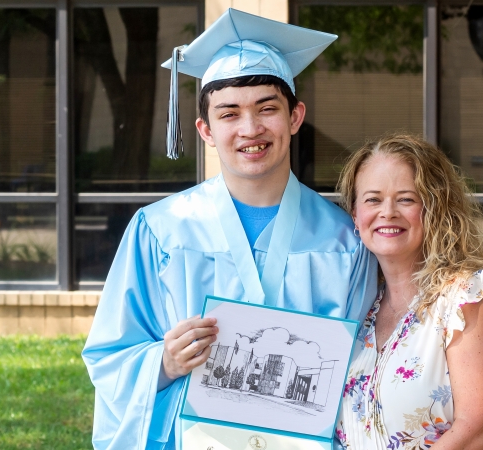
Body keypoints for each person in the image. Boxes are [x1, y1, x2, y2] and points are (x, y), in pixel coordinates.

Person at [81, 9, 377, 450]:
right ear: (204, 129)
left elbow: (363, 366)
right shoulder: (160, 231)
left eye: (267, 109)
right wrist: (163, 361)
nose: (250, 129)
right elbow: (109, 355)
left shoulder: (343, 240)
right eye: (229, 113)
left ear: (295, 117)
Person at [334, 135, 483, 449]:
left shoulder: (466, 297)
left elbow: (478, 429)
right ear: (355, 215)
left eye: (406, 199)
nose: (388, 212)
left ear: (435, 208)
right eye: (372, 199)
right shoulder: (360, 306)